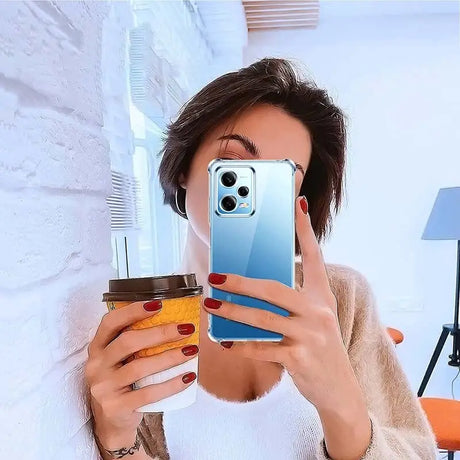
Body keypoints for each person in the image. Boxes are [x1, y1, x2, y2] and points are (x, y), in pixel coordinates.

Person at [85, 58, 438, 460]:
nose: (252, 200)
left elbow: (417, 452)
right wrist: (118, 441)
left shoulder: (342, 300)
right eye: (234, 168)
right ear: (185, 168)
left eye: (280, 179)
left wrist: (341, 400)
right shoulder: (149, 318)